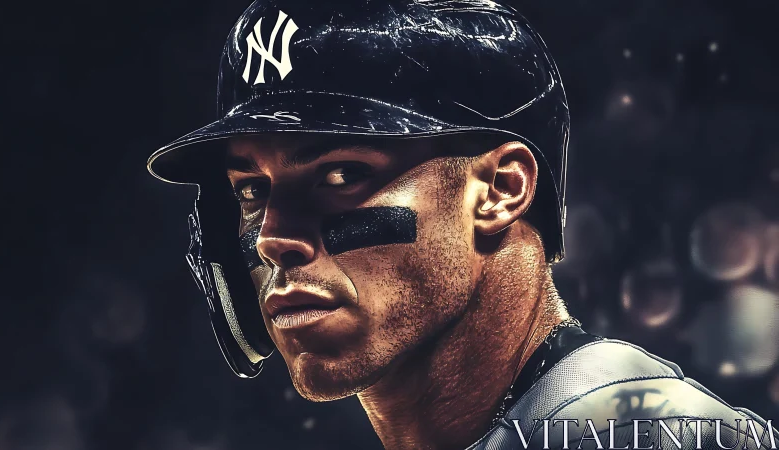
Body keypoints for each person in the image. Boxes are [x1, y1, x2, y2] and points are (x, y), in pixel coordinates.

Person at [147, 0, 777, 448]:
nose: (271, 237)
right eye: (251, 190)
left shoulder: (634, 431)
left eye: (341, 176)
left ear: (500, 191)